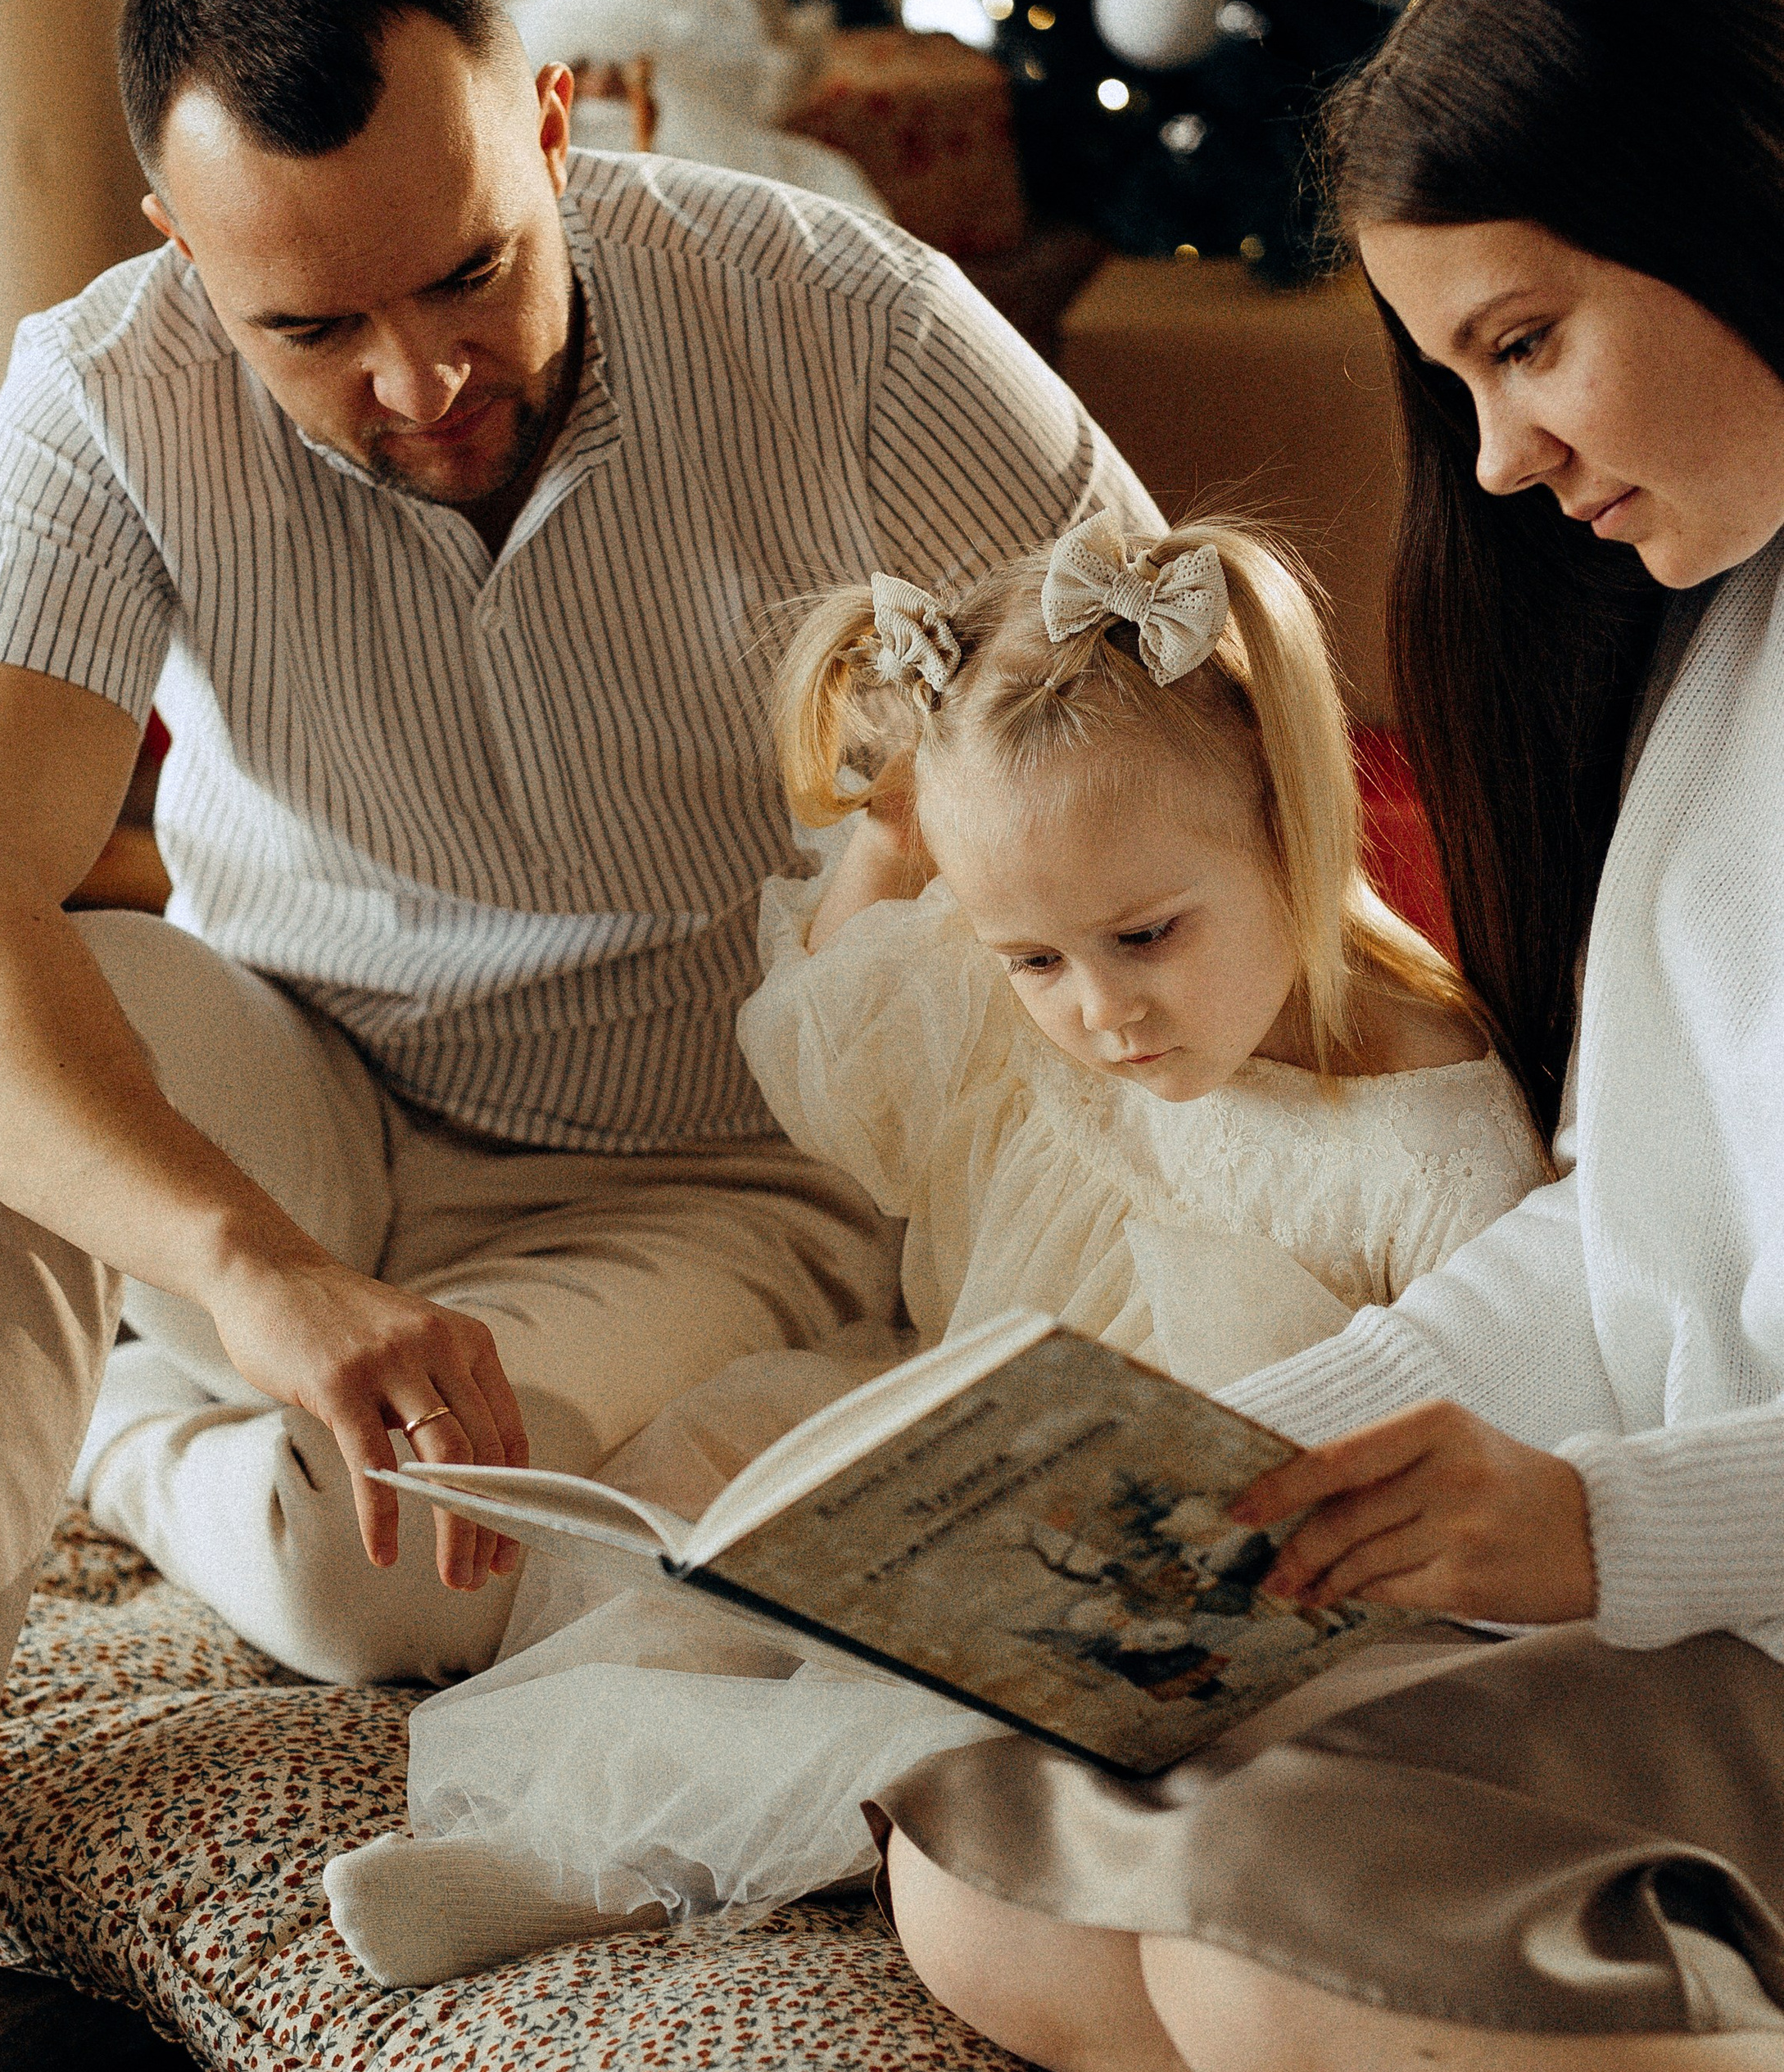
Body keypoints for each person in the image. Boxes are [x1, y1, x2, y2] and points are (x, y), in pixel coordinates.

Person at [0, 0, 1154, 2072]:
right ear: (174, 243)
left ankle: (92, 1437)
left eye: (467, 269)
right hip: (306, 1088)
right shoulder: (105, 389)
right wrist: (256, 1269)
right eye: (313, 325)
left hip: (713, 1164)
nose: (420, 375)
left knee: (386, 1582)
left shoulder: (845, 318)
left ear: (550, 124)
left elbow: (1171, 690)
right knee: (9, 1026)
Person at [876, 0, 1784, 2072]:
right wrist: (1199, 1472)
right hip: (1704, 1585)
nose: (1499, 461)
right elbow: (1630, 1252)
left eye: (1530, 345)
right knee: (993, 1859)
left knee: (1274, 1953)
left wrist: (1602, 1530)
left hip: (1732, 1584)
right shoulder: (1718, 639)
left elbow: (1641, 1418)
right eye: (1454, 376)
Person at [321, 513, 1542, 1991]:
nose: (1097, 1011)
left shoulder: (1429, 1131)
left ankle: (607, 1870)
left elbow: (1502, 1434)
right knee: (708, 1489)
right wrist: (894, 842)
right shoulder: (1034, 967)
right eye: (1034, 959)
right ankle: (568, 1811)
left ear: (1296, 822)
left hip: (1191, 1583)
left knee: (952, 1717)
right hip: (968, 1434)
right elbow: (843, 1065)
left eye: (1147, 937)